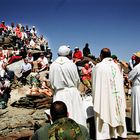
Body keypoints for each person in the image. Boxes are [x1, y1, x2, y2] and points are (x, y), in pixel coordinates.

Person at [92, 48, 127, 139]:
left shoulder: (98, 66)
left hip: (104, 96)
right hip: (116, 95)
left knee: (105, 109)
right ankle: (117, 133)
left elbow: (95, 85)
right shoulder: (117, 66)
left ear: (101, 55)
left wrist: (95, 97)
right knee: (116, 109)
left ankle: (105, 134)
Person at [49, 45, 87, 127]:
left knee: (59, 120)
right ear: (68, 54)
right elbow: (77, 80)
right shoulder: (71, 64)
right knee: (76, 116)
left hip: (59, 94)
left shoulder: (53, 65)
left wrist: (54, 91)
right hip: (72, 93)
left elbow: (51, 82)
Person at [128, 51, 140, 133]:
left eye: (135, 57)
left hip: (137, 88)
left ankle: (137, 127)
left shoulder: (137, 67)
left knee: (137, 106)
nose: (134, 58)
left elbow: (130, 76)